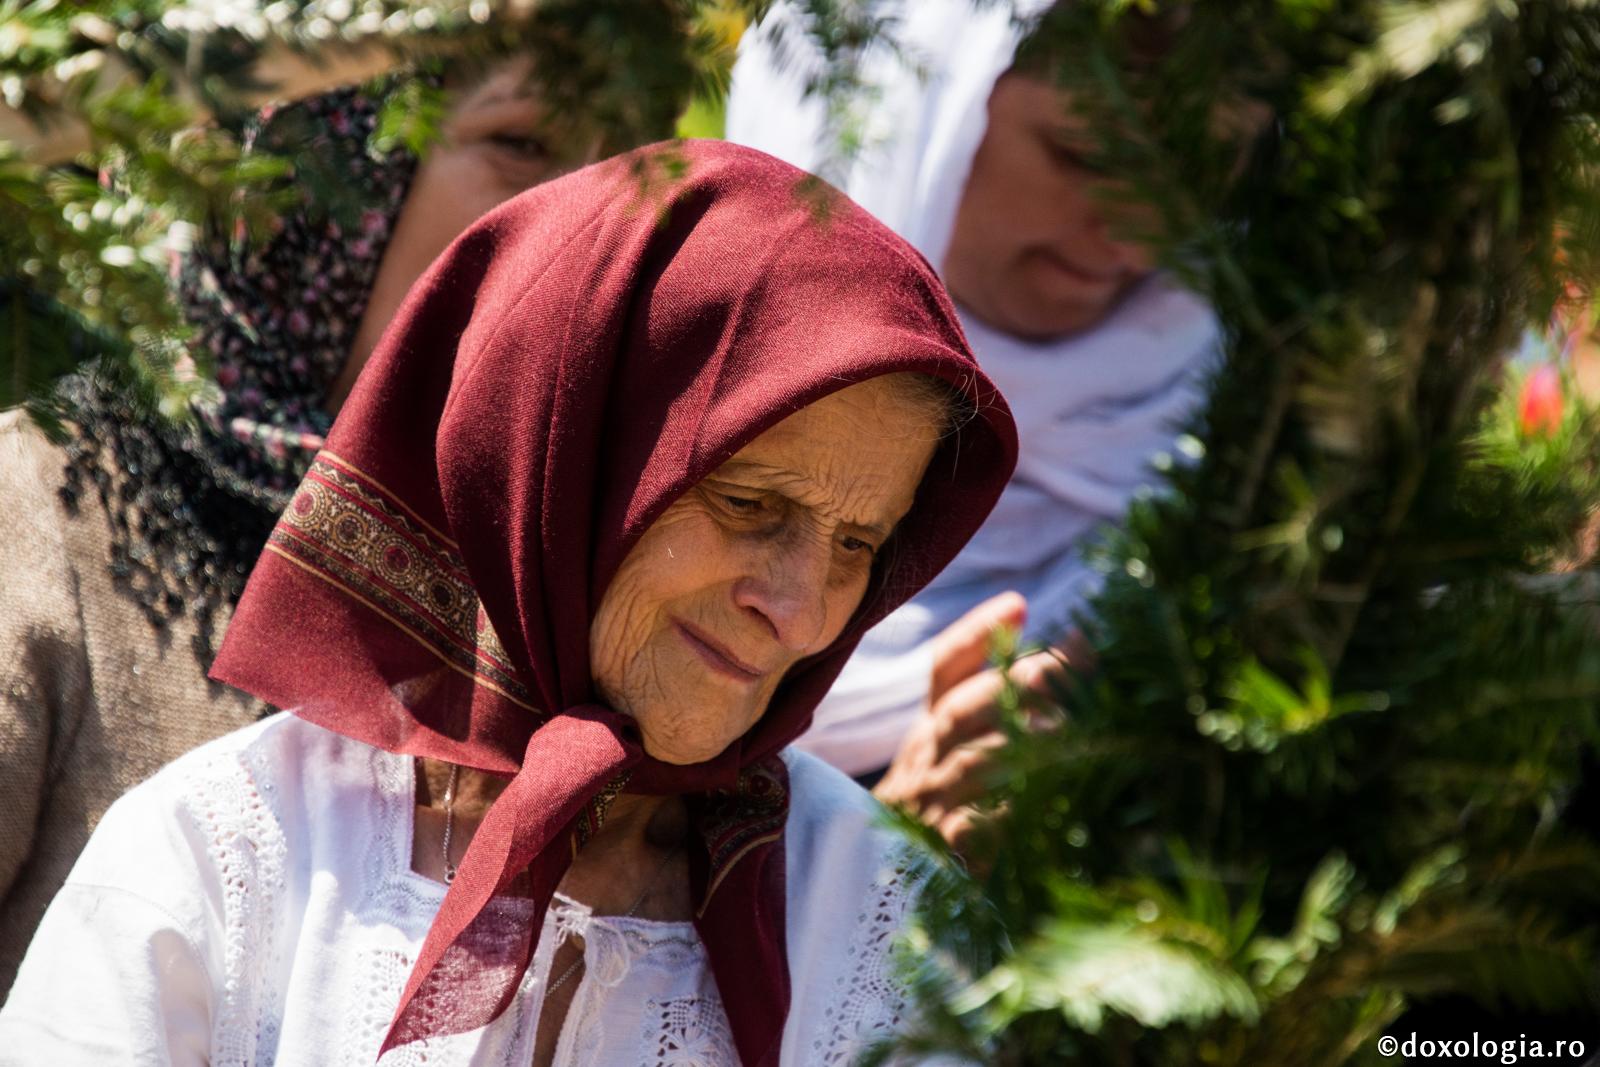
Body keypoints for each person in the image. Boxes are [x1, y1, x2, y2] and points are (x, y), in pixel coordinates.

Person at [0, 140, 1017, 1066]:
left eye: (857, 545)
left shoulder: (883, 923)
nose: (797, 609)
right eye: (749, 503)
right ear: (563, 463)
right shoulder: (225, 859)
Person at [0, 57, 616, 994]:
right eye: (520, 145)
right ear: (302, 166)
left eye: (609, 170)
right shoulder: (48, 502)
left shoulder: (554, 593)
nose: (576, 222)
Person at [727, 0, 1225, 842]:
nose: (1136, 232)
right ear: (912, 98)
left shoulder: (1271, 484)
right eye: (1084, 153)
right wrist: (881, 882)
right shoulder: (664, 414)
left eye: (1201, 169)